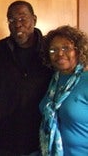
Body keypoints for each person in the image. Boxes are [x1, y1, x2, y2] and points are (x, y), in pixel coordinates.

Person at [0, 0, 53, 156]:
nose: (17, 24)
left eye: (22, 18)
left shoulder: (49, 51)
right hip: (3, 141)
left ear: (34, 20)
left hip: (40, 141)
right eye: (11, 20)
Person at [39, 25, 88, 156]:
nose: (59, 53)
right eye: (53, 50)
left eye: (66, 48)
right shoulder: (55, 79)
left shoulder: (86, 80)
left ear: (78, 50)